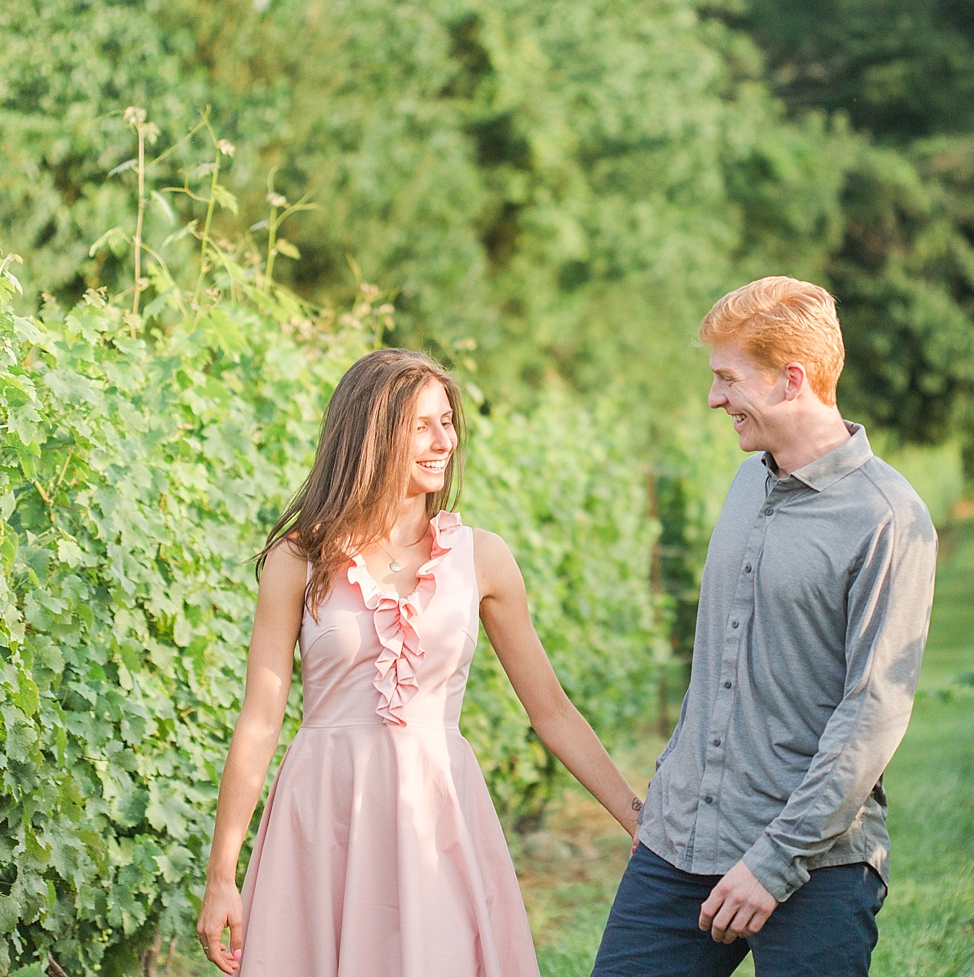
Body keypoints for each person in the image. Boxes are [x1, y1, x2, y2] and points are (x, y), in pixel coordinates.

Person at [196, 348, 642, 976]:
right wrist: (222, 875)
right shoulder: (298, 559)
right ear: (372, 437)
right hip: (324, 812)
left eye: (448, 422)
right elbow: (260, 721)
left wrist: (637, 818)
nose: (444, 442)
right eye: (423, 426)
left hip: (438, 813)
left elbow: (552, 711)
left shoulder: (482, 558)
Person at [592, 277, 938, 977]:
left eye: (727, 378)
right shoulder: (746, 482)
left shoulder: (888, 519)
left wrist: (772, 863)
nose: (714, 398)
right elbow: (719, 665)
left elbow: (872, 714)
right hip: (679, 849)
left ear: (790, 380)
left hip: (816, 864)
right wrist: (667, 806)